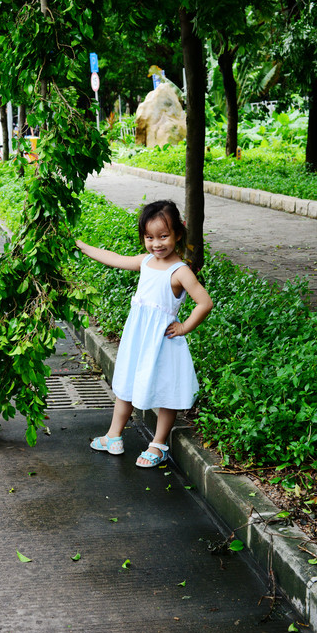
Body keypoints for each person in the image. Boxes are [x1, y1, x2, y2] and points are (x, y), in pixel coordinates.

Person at [76, 200, 213, 468]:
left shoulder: (180, 271)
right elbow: (114, 258)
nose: (156, 244)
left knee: (166, 391)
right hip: (139, 340)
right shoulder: (146, 261)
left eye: (164, 236)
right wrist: (82, 246)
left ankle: (158, 444)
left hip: (163, 343)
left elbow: (204, 302)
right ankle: (113, 435)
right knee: (126, 384)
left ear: (178, 235)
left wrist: (184, 326)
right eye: (149, 237)